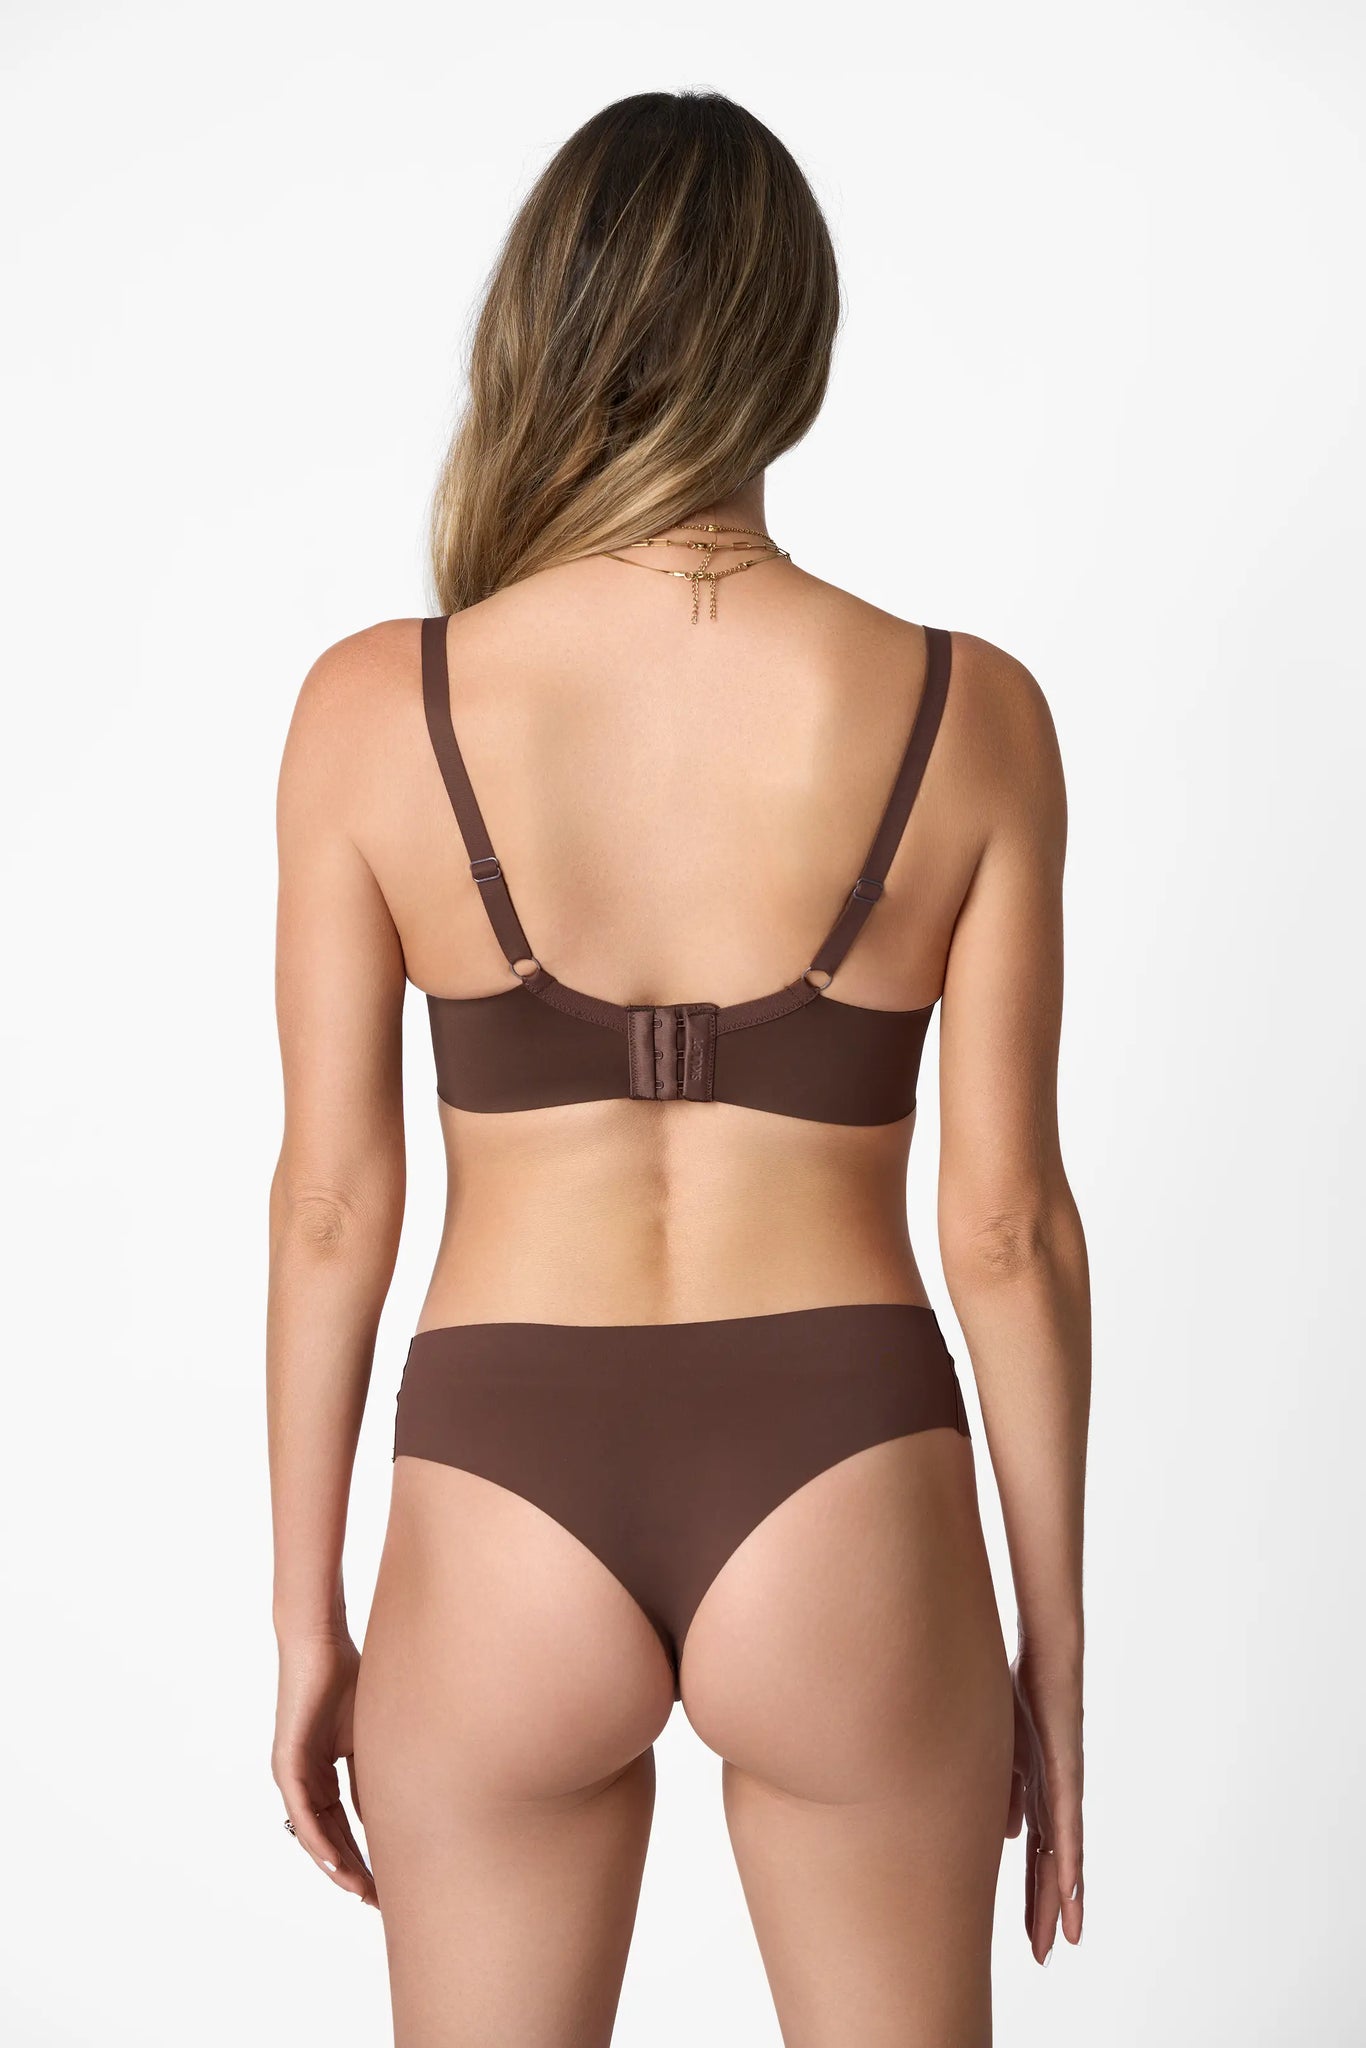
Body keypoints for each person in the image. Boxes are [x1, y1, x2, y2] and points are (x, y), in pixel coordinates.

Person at [267, 88, 1090, 2046]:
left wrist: (309, 1620)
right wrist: (1048, 1650)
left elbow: (330, 1211)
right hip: (845, 1477)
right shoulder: (965, 710)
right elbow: (1003, 1228)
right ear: (792, 340)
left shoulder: (379, 705)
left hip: (501, 1480)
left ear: (541, 324)